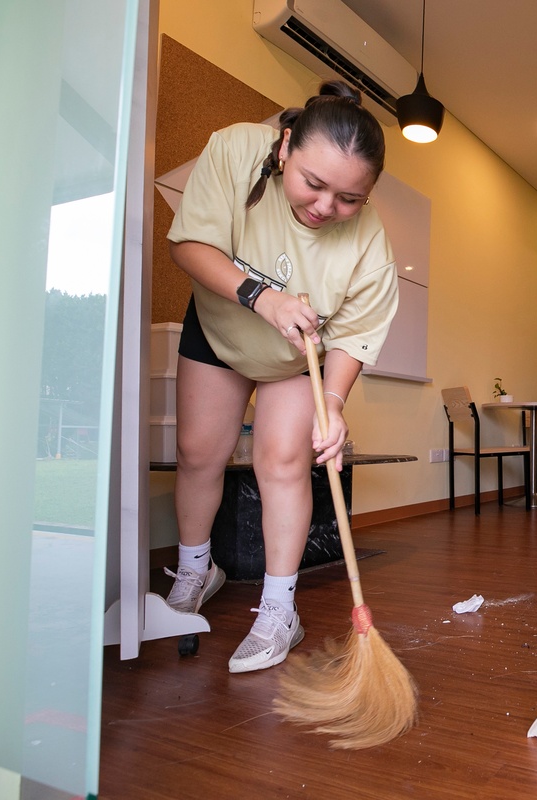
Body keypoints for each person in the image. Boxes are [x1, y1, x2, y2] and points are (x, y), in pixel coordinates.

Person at [164, 81, 398, 673]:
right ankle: (197, 571)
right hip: (222, 324)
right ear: (286, 145)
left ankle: (278, 609)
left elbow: (355, 335)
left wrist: (335, 403)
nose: (325, 208)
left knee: (282, 462)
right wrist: (261, 298)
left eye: (349, 198)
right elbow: (189, 244)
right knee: (197, 453)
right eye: (313, 184)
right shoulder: (237, 152)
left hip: (299, 358)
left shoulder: (370, 244)